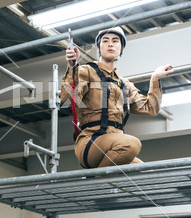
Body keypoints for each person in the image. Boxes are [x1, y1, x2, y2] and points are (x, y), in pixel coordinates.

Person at [61, 26, 173, 168]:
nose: (110, 44)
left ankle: (100, 178)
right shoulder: (86, 71)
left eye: (115, 41)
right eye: (105, 40)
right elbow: (68, 97)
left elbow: (150, 108)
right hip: (91, 142)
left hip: (116, 146)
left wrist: (155, 79)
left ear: (121, 49)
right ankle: (99, 181)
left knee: (147, 174)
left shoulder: (124, 84)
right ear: (99, 47)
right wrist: (72, 68)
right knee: (131, 144)